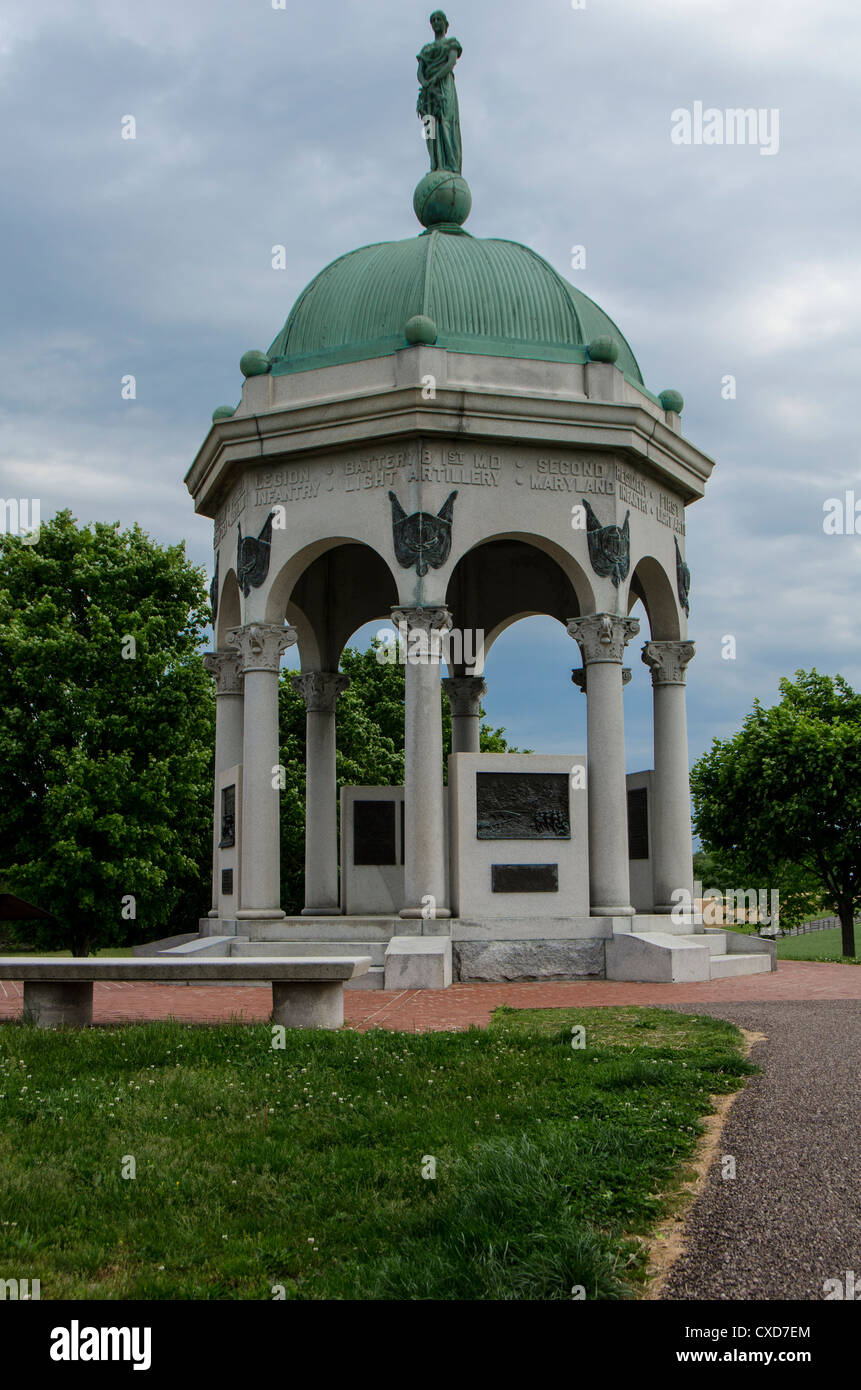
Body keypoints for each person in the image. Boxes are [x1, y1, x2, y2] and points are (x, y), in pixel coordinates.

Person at [416, 11, 463, 174]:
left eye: (439, 19)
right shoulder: (426, 49)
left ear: (445, 23)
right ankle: (435, 164)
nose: (436, 23)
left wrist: (435, 78)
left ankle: (450, 164)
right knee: (430, 128)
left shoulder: (451, 43)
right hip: (429, 91)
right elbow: (420, 72)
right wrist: (426, 83)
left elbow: (450, 63)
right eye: (433, 20)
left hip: (444, 86)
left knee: (445, 121)